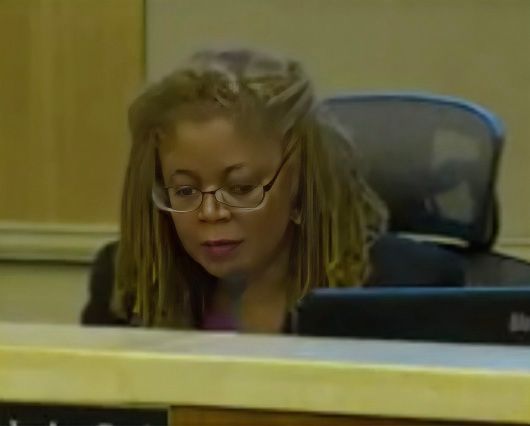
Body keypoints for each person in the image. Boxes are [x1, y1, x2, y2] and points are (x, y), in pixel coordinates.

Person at [82, 47, 464, 332]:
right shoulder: (128, 286)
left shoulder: (406, 290)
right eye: (184, 192)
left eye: (241, 187)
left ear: (299, 180)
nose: (210, 213)